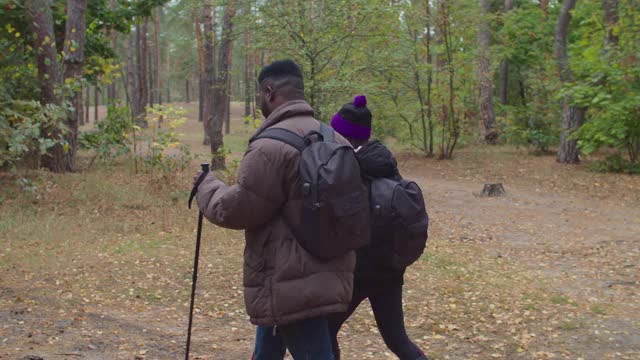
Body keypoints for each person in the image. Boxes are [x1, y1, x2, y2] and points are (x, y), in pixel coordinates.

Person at [193, 60, 356, 360]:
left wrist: (207, 186)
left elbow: (240, 209)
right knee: (268, 349)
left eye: (258, 95)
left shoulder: (270, 146)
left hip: (289, 283)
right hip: (327, 273)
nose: (259, 102)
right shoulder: (335, 139)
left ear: (269, 92)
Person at [327, 95, 428, 360]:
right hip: (390, 271)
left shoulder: (352, 167)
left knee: (325, 332)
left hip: (360, 271)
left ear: (344, 134)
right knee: (397, 340)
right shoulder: (384, 162)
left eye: (335, 131)